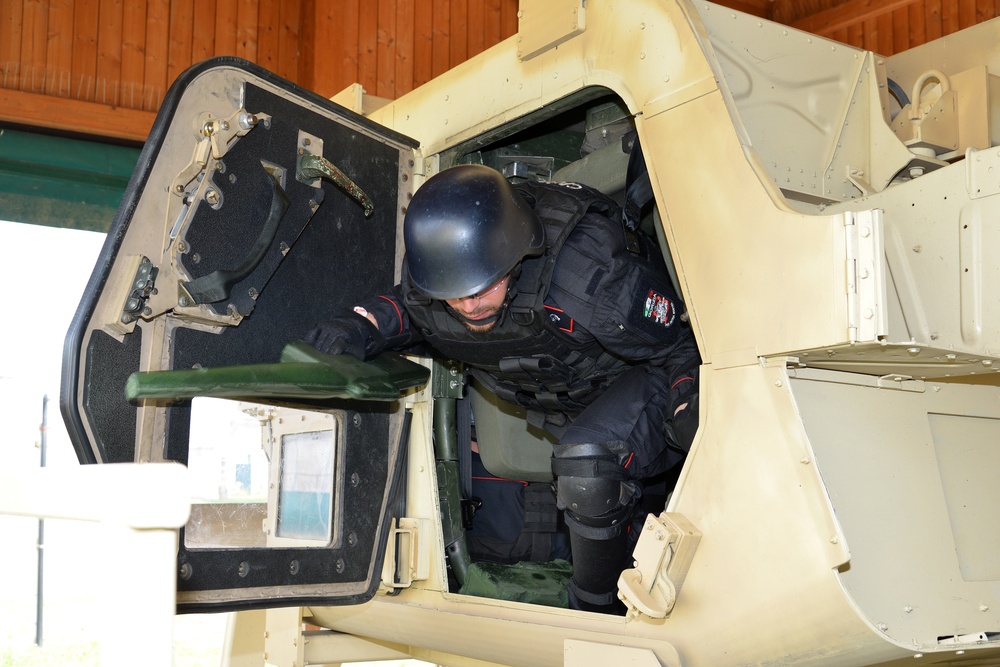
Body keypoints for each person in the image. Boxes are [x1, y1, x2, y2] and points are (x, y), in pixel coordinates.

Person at [305, 163, 700, 614]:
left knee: (589, 464)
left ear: (516, 256)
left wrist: (688, 399)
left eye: (480, 288)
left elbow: (683, 345)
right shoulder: (439, 290)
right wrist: (363, 325)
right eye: (453, 294)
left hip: (641, 376)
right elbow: (410, 311)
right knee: (590, 462)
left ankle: (595, 612)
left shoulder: (591, 282)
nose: (468, 307)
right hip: (579, 404)